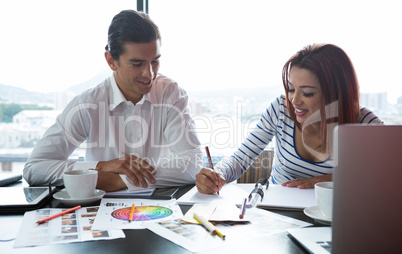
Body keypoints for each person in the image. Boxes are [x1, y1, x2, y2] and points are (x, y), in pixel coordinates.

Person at [23, 10, 202, 192]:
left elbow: (193, 164)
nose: (149, 73)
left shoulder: (170, 93)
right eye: (137, 64)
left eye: (155, 61)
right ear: (111, 61)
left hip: (159, 210)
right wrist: (100, 167)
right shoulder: (88, 104)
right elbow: (34, 169)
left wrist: (118, 181)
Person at [196, 43, 383, 194]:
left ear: (336, 95)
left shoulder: (365, 124)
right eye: (291, 89)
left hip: (334, 217)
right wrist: (218, 174)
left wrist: (333, 180)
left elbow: (388, 178)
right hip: (275, 212)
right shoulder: (280, 109)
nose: (294, 100)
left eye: (308, 93)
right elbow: (240, 158)